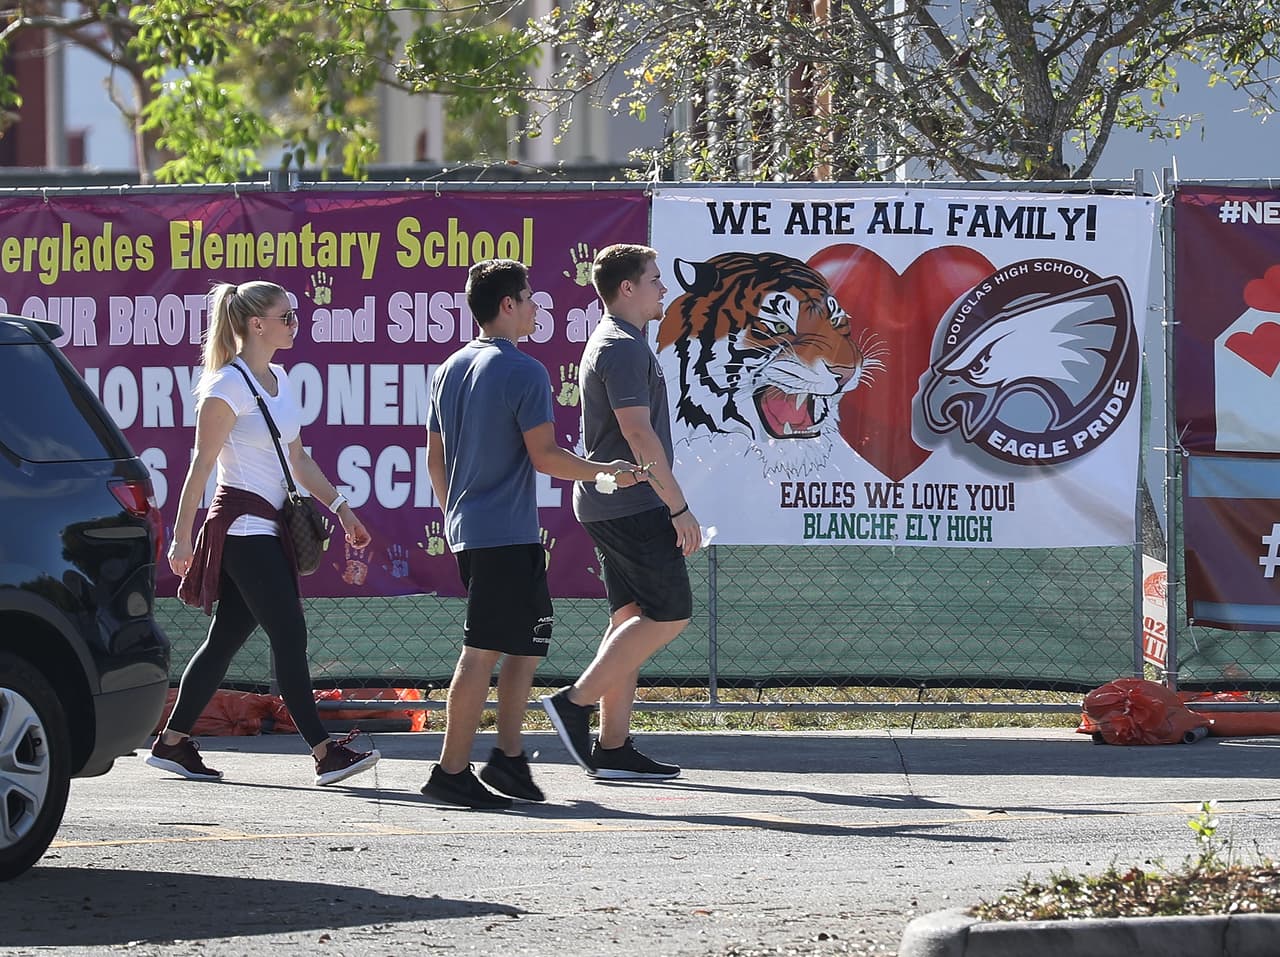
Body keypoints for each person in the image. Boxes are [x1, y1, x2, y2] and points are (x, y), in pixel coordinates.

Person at [421, 258, 646, 810]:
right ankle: (450, 772)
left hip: (488, 532)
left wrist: (457, 513)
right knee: (481, 653)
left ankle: (509, 759)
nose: (536, 305)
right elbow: (545, 457)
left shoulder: (449, 366)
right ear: (507, 306)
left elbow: (435, 459)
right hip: (500, 536)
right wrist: (604, 471)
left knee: (525, 646)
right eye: (528, 296)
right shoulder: (524, 370)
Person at [150, 280, 381, 787]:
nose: (295, 322)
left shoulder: (278, 379)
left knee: (225, 639)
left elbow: (297, 459)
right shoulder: (226, 387)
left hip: (269, 529)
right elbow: (200, 467)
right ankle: (324, 752)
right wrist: (181, 536)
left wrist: (342, 509)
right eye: (287, 315)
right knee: (290, 634)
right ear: (257, 324)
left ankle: (171, 743)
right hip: (243, 530)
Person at [541, 244, 702, 781]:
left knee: (629, 620)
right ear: (627, 289)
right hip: (631, 503)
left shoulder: (623, 341)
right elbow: (638, 433)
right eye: (655, 279)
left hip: (612, 501)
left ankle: (612, 748)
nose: (664, 288)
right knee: (671, 612)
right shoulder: (621, 347)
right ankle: (575, 703)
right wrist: (677, 506)